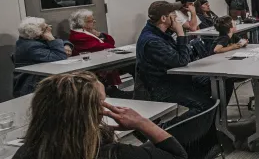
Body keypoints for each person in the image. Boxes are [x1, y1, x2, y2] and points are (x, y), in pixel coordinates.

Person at [12, 71, 188, 159]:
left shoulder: (26, 152)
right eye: (103, 100)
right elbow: (178, 156)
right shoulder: (112, 154)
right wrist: (142, 123)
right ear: (92, 111)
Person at [136, 1, 213, 122]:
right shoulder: (152, 41)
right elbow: (181, 60)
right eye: (173, 14)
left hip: (176, 78)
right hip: (162, 87)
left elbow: (183, 56)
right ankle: (166, 133)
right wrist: (181, 34)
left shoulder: (161, 33)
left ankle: (208, 132)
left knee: (214, 84)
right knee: (205, 105)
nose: (176, 17)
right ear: (163, 18)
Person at [68, 9, 125, 97]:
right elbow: (108, 47)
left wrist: (100, 35)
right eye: (91, 21)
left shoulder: (88, 32)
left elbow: (111, 42)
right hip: (91, 64)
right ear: (82, 23)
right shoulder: (78, 36)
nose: (94, 22)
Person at [13, 17, 73, 97]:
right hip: (33, 86)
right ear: (38, 33)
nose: (50, 28)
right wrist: (51, 39)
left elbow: (59, 40)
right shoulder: (30, 47)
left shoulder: (35, 39)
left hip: (46, 79)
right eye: (46, 28)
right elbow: (60, 56)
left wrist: (67, 45)